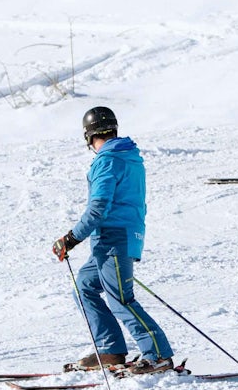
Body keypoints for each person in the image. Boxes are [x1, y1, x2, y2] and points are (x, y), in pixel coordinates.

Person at [51, 106, 175, 374]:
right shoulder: (128, 156)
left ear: (88, 136)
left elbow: (98, 207)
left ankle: (158, 355)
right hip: (115, 239)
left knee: (120, 298)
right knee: (84, 286)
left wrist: (71, 238)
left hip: (113, 239)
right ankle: (110, 350)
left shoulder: (107, 160)